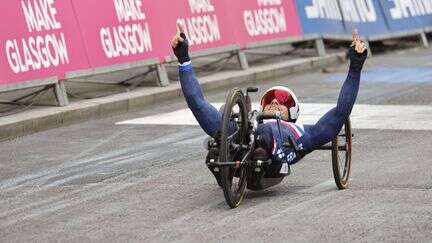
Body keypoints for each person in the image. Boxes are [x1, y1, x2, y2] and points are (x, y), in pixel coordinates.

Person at [171, 24, 367, 184]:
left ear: (292, 112)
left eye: (282, 100)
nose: (274, 101)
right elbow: (197, 102)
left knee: (268, 131)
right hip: (243, 140)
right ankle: (223, 165)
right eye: (269, 99)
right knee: (205, 113)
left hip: (278, 151)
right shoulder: (248, 125)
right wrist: (183, 58)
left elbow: (340, 112)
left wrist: (355, 68)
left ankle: (260, 153)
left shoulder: (302, 131)